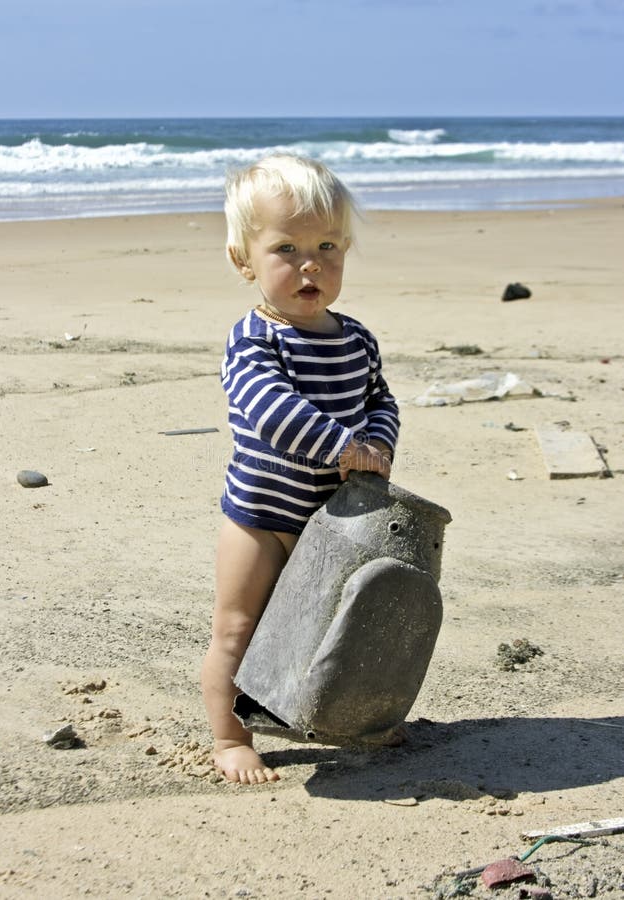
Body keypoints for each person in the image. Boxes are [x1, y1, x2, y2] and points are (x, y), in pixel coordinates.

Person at [201, 154, 400, 784]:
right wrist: (343, 448)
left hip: (334, 523)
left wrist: (378, 443)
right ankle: (230, 738)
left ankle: (329, 715)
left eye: (328, 246)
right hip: (262, 515)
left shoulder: (356, 339)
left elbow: (381, 400)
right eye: (286, 247)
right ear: (244, 260)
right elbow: (268, 411)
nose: (310, 263)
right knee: (238, 628)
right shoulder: (256, 338)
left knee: (326, 627)